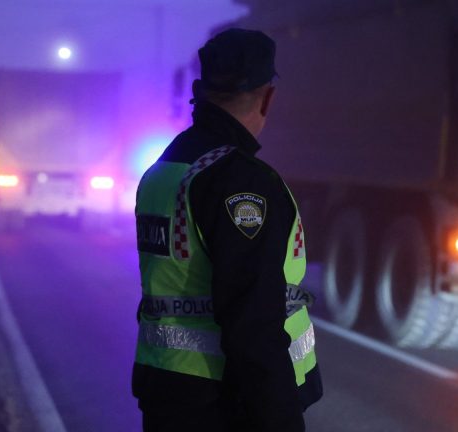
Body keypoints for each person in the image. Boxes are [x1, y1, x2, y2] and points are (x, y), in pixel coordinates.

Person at [132, 28, 323, 431]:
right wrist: (281, 421)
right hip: (224, 404)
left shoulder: (164, 169)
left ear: (199, 91)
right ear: (268, 98)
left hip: (165, 391)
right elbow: (253, 322)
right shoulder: (242, 182)